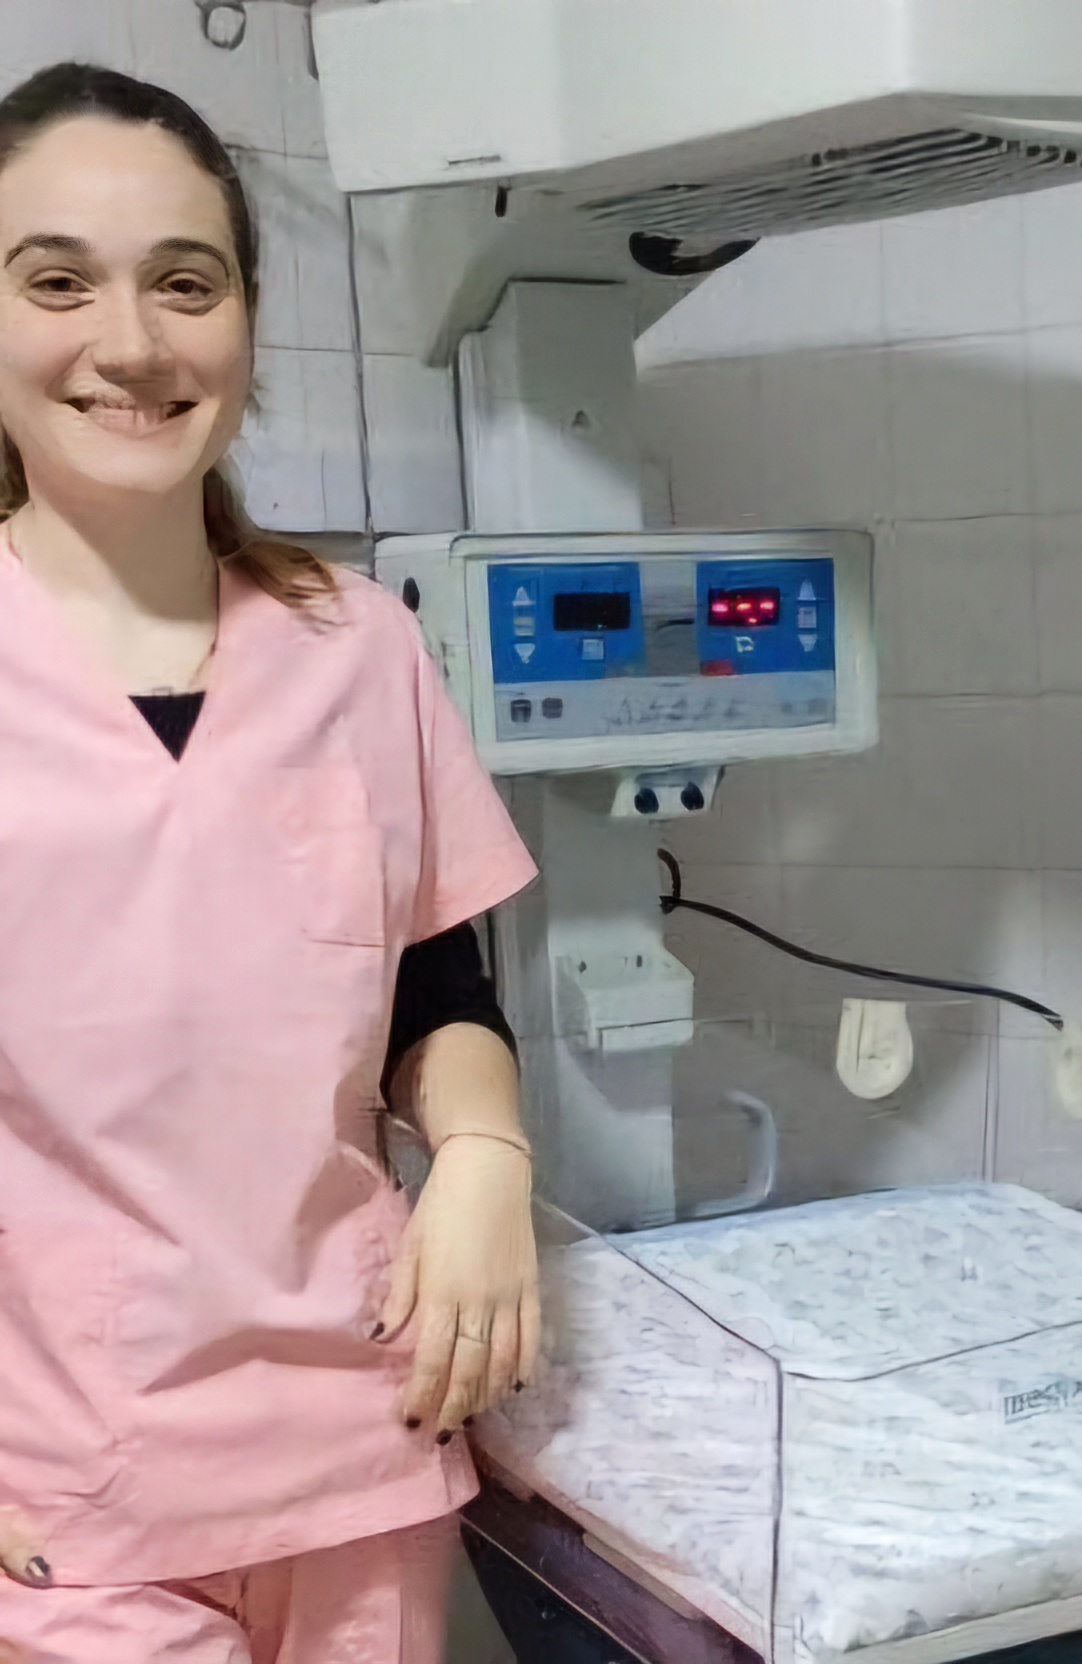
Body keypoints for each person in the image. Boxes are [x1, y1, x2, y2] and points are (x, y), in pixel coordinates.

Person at [0, 63, 542, 1663]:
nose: (132, 343)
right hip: (69, 1482)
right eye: (56, 282)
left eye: (186, 282)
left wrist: (487, 1155)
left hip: (359, 1441)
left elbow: (435, 982)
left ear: (244, 319)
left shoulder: (355, 646)